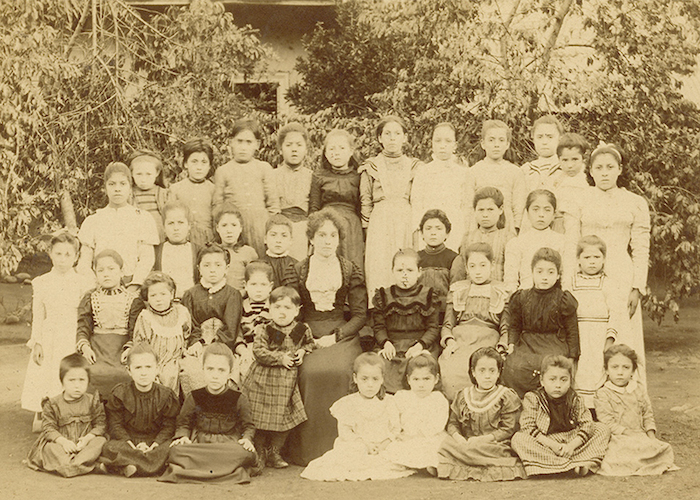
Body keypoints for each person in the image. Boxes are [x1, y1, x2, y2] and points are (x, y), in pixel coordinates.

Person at [287, 209, 367, 466]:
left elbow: (359, 315)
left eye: (333, 235)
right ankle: (308, 450)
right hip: (306, 331)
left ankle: (342, 446)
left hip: (341, 333)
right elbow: (292, 314)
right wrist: (304, 340)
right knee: (309, 372)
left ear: (339, 239)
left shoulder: (348, 268)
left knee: (341, 370)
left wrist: (336, 337)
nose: (327, 240)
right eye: (321, 235)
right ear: (311, 238)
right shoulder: (299, 269)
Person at [567, 142, 651, 384]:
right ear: (590, 171)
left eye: (610, 167)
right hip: (586, 273)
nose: (604, 172)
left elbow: (640, 247)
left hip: (622, 273)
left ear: (620, 169)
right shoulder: (578, 199)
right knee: (590, 334)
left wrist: (637, 287)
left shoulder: (635, 202)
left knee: (623, 332)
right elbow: (571, 243)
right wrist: (570, 283)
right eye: (599, 167)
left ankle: (628, 398)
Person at [300, 353, 413, 481]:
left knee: (399, 449)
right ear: (355, 378)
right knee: (350, 451)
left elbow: (395, 429)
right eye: (364, 379)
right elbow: (345, 432)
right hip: (359, 445)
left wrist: (384, 444)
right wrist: (365, 444)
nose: (370, 384)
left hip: (383, 445)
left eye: (375, 379)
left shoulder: (389, 402)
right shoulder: (348, 403)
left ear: (382, 379)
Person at [21, 231, 94, 431]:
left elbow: (86, 315)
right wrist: (36, 342)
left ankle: (69, 413)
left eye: (68, 254)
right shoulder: (42, 282)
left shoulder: (82, 283)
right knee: (46, 371)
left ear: (76, 257)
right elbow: (38, 315)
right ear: (50, 254)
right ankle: (43, 411)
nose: (63, 259)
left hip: (72, 333)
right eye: (58, 254)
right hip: (49, 333)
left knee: (69, 371)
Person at [159, 343, 257, 484]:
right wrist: (183, 436)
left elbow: (248, 426)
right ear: (203, 370)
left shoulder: (238, 398)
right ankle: (228, 471)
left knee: (245, 453)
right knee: (175, 451)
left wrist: (247, 439)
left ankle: (195, 471)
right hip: (200, 444)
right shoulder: (194, 396)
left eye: (221, 370)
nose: (215, 376)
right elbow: (183, 423)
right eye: (210, 369)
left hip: (227, 445)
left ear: (230, 373)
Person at [242, 287, 315, 470]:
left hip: (286, 383)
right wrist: (280, 358)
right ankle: (258, 452)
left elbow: (310, 343)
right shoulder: (266, 328)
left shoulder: (300, 328)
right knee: (259, 418)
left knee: (285, 419)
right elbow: (258, 351)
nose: (282, 312)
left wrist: (302, 351)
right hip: (263, 380)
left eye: (287, 308)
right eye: (277, 307)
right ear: (270, 308)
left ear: (297, 310)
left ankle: (274, 452)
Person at [511, 355, 611, 477]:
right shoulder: (533, 398)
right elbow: (527, 427)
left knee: (602, 429)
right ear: (542, 380)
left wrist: (572, 445)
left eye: (563, 380)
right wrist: (553, 446)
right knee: (518, 439)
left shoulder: (575, 399)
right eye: (552, 379)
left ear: (570, 381)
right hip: (546, 442)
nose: (558, 385)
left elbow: (587, 424)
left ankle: (577, 463)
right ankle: (565, 465)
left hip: (572, 441)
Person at [436, 347, 525, 481]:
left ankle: (471, 460)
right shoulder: (462, 395)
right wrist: (459, 438)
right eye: (482, 371)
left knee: (495, 450)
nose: (487, 376)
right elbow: (453, 423)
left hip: (493, 444)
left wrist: (483, 440)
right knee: (447, 445)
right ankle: (473, 458)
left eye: (492, 371)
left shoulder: (505, 396)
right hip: (466, 443)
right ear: (473, 372)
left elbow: (508, 429)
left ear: (499, 372)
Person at [502, 248, 579, 398]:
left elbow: (572, 330)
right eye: (540, 271)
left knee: (551, 368)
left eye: (550, 272)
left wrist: (572, 357)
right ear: (532, 272)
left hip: (554, 343)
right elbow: (515, 326)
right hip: (527, 343)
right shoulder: (522, 297)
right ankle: (520, 408)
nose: (545, 277)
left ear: (558, 275)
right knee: (514, 366)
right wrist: (511, 344)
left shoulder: (563, 299)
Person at [360, 115, 421, 298]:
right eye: (387, 133)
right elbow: (365, 200)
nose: (392, 138)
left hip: (405, 219)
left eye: (397, 133)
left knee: (406, 262)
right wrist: (366, 229)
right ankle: (379, 311)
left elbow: (419, 199)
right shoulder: (371, 166)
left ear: (405, 137)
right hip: (380, 221)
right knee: (380, 264)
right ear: (380, 138)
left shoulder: (415, 166)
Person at [594, 345, 678, 476]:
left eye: (626, 367)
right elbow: (607, 422)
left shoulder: (638, 389)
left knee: (663, 448)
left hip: (639, 434)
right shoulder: (603, 393)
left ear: (633, 371)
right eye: (615, 367)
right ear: (606, 370)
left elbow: (647, 415)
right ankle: (636, 462)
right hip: (618, 437)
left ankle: (644, 459)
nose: (620, 372)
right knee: (620, 451)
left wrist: (651, 437)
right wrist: (627, 433)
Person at [439, 243, 508, 400]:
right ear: (467, 268)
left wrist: (501, 348)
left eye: (483, 265)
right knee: (450, 369)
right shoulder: (458, 289)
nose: (478, 271)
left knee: (483, 370)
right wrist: (449, 342)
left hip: (487, 342)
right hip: (460, 342)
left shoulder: (501, 291)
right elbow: (447, 325)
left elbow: (505, 328)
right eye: (472, 266)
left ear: (492, 266)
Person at [100, 344, 180, 477]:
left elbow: (169, 426)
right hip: (128, 443)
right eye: (138, 367)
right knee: (108, 447)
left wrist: (155, 445)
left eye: (148, 367)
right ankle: (150, 466)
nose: (143, 372)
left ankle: (123, 466)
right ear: (129, 370)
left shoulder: (166, 395)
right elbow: (115, 425)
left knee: (171, 449)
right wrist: (131, 445)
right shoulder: (120, 393)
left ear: (157, 369)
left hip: (155, 443)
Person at [77, 162, 159, 290]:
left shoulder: (143, 218)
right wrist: (95, 286)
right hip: (99, 287)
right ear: (105, 187)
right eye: (112, 184)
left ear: (130, 187)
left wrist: (135, 285)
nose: (117, 189)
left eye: (122, 184)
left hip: (132, 286)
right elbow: (84, 263)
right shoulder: (93, 220)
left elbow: (147, 259)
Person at [76, 250, 144, 398]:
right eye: (101, 270)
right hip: (97, 348)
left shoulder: (132, 300)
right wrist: (85, 347)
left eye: (111, 269)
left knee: (125, 374)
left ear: (121, 272)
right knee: (88, 372)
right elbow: (83, 326)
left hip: (122, 348)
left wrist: (130, 349)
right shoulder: (90, 297)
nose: (106, 274)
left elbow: (135, 331)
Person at [26, 353, 107, 477]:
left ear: (88, 381)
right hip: (61, 444)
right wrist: (63, 442)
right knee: (49, 449)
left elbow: (100, 425)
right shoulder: (52, 404)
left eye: (82, 380)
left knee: (100, 441)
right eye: (71, 380)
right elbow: (48, 429)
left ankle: (71, 467)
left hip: (84, 445)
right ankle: (89, 466)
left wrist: (87, 439)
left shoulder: (92, 401)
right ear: (62, 381)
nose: (77, 385)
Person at [373, 249, 440, 394]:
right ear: (392, 271)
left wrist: (420, 345)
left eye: (410, 270)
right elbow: (379, 327)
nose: (404, 275)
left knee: (422, 366)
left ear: (419, 272)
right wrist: (385, 342)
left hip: (419, 345)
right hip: (392, 345)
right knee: (380, 365)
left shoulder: (428, 295)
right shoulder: (383, 296)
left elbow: (433, 328)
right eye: (399, 270)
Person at [179, 244, 243, 395]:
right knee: (190, 370)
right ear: (199, 268)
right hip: (197, 347)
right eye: (206, 265)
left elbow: (231, 327)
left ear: (226, 268)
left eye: (218, 265)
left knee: (223, 371)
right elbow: (189, 323)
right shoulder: (191, 294)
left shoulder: (233, 294)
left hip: (223, 346)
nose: (212, 269)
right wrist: (195, 342)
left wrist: (215, 345)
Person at [213, 117, 280, 256]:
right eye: (239, 141)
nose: (243, 147)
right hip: (234, 229)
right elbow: (217, 207)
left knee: (261, 263)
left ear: (257, 144)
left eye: (249, 142)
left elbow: (273, 205)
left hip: (260, 228)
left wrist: (270, 231)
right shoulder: (223, 171)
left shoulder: (264, 168)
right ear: (231, 142)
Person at [570, 235, 622, 410]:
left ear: (604, 259)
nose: (592, 262)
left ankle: (597, 411)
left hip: (599, 336)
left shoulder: (608, 283)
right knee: (579, 372)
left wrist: (609, 341)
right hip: (578, 334)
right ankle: (578, 411)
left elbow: (615, 312)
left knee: (598, 371)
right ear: (578, 260)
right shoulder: (570, 283)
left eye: (596, 257)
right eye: (587, 257)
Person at [410, 122, 474, 251]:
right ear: (432, 144)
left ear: (455, 145)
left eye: (448, 141)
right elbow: (416, 203)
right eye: (438, 141)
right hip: (429, 228)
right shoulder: (423, 171)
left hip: (455, 227)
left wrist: (465, 233)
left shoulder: (464, 173)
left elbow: (467, 206)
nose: (443, 146)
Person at [309, 128, 364, 272]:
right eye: (331, 148)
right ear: (326, 153)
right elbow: (314, 207)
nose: (336, 152)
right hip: (326, 226)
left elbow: (362, 207)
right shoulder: (319, 176)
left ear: (351, 151)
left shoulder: (358, 176)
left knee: (352, 267)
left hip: (352, 228)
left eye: (341, 148)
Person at [384, 353, 449, 473]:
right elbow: (394, 419)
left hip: (429, 436)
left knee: (434, 447)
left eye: (426, 379)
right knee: (395, 448)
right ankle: (405, 463)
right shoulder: (402, 396)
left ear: (436, 379)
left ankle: (431, 465)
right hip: (406, 436)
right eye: (416, 379)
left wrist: (419, 434)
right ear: (409, 379)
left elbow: (438, 424)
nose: (421, 384)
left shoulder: (438, 399)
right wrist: (398, 433)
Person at [130, 272, 192, 393]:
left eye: (163, 294)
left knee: (192, 372)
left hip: (178, 357)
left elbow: (187, 334)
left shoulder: (181, 312)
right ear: (147, 298)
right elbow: (141, 345)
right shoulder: (146, 317)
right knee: (166, 376)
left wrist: (185, 350)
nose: (158, 299)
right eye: (153, 295)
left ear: (172, 294)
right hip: (156, 360)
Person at [469, 120, 526, 235]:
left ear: (507, 144)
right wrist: (471, 231)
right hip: (480, 229)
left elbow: (519, 206)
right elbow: (468, 206)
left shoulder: (515, 172)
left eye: (501, 140)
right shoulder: (474, 171)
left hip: (506, 228)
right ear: (483, 144)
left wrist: (515, 230)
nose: (496, 145)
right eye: (491, 140)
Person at [504, 189, 566, 294]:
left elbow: (565, 276)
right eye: (535, 209)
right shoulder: (516, 243)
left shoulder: (562, 241)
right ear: (527, 213)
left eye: (547, 210)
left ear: (554, 214)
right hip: (525, 298)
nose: (541, 214)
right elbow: (510, 280)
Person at [272, 122, 312, 261]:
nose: (294, 149)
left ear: (306, 149)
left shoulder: (313, 177)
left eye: (299, 145)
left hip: (304, 231)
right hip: (279, 231)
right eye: (289, 145)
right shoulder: (272, 175)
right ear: (280, 149)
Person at [454, 187, 511, 283]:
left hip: (498, 292)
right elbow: (461, 270)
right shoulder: (468, 238)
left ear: (500, 210)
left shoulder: (507, 238)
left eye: (490, 209)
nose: (485, 214)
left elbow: (511, 272)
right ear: (474, 211)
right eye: (481, 210)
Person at [169, 138, 216, 246]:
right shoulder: (175, 189)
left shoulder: (213, 190)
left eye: (204, 162)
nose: (199, 167)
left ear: (209, 166)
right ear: (185, 163)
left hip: (208, 240)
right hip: (183, 240)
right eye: (194, 162)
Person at [235, 261, 274, 383]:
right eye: (253, 284)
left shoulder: (275, 307)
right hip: (246, 350)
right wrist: (243, 351)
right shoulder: (240, 307)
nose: (258, 290)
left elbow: (284, 331)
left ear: (270, 287)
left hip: (271, 350)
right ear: (245, 285)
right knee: (243, 370)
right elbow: (237, 334)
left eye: (263, 285)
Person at [416, 209, 458, 320]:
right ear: (421, 233)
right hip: (419, 314)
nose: (433, 233)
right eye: (428, 228)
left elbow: (456, 292)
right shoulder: (416, 258)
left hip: (444, 314)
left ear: (447, 233)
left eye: (439, 229)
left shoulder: (454, 258)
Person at [154, 201, 200, 299]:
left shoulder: (198, 251)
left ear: (189, 226)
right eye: (171, 223)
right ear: (164, 228)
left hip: (192, 302)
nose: (176, 228)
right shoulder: (157, 251)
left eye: (180, 223)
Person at [127, 149, 171, 243]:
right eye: (139, 174)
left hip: (160, 239)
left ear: (157, 173)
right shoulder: (129, 195)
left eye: (148, 174)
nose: (143, 179)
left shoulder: (164, 194)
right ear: (131, 173)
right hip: (137, 240)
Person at [214, 203, 258, 291]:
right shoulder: (212, 251)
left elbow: (255, 281)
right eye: (224, 225)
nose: (229, 230)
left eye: (234, 225)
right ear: (217, 228)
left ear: (240, 228)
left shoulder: (248, 252)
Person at [552, 133, 590, 234]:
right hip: (559, 225)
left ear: (583, 159)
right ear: (559, 159)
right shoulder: (558, 179)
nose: (570, 165)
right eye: (564, 160)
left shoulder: (585, 180)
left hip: (579, 225)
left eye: (575, 159)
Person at [520, 115, 565, 193]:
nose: (544, 142)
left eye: (550, 137)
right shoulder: (525, 170)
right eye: (540, 137)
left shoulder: (565, 168)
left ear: (559, 139)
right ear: (533, 138)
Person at [259, 214, 298, 288]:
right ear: (265, 239)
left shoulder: (297, 266)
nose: (278, 240)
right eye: (273, 235)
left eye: (284, 236)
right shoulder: (259, 265)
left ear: (291, 240)